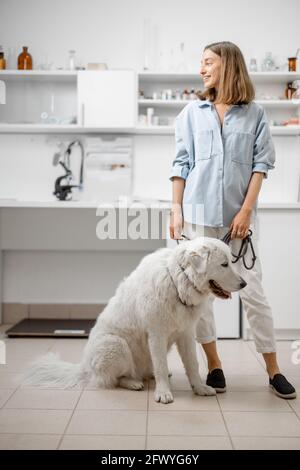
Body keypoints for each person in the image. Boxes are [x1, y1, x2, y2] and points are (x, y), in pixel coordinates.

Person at [169, 41, 296, 399]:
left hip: (239, 221)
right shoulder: (191, 113)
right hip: (197, 217)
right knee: (200, 296)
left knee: (253, 293)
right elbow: (181, 164)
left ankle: (273, 371)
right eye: (201, 62)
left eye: (208, 61)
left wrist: (245, 210)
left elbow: (261, 164)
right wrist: (176, 209)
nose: (202, 68)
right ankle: (214, 366)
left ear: (228, 65)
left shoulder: (254, 113)